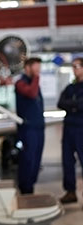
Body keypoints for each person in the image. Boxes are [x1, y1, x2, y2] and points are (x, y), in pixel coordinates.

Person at [15, 57, 45, 194]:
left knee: (36, 160)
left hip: (39, 127)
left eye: (39, 68)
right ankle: (25, 189)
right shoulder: (20, 83)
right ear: (27, 67)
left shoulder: (34, 83)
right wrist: (36, 77)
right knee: (28, 159)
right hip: (28, 129)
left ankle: (31, 186)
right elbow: (31, 94)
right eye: (36, 68)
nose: (38, 71)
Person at [57, 57, 83, 204]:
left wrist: (72, 105)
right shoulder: (70, 88)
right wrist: (74, 105)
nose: (74, 69)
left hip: (81, 128)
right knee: (67, 161)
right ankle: (70, 192)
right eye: (73, 66)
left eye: (77, 66)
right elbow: (60, 103)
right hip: (69, 128)